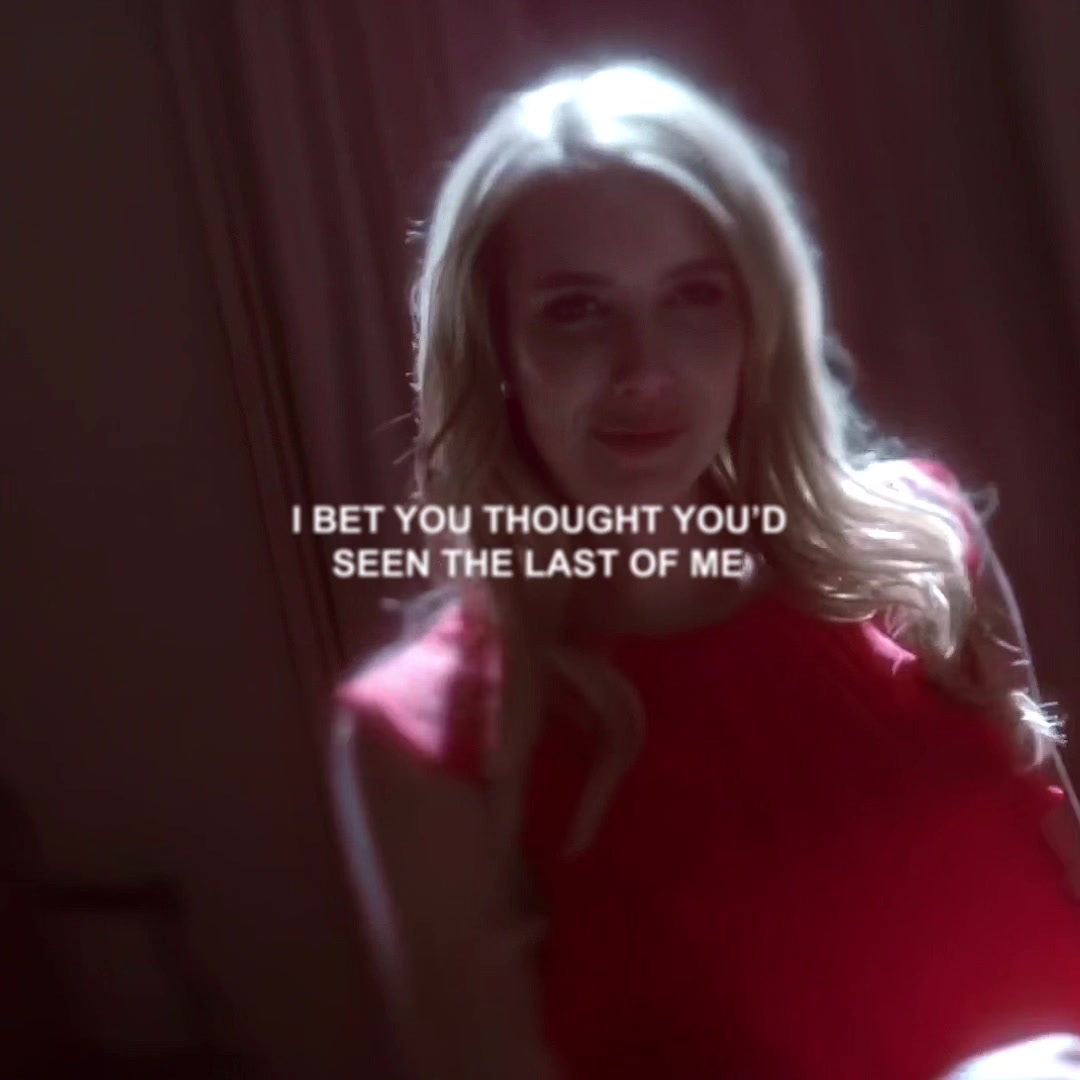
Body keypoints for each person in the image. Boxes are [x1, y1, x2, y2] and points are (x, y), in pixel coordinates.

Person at [328, 59, 1080, 1080]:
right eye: (577, 310)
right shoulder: (429, 738)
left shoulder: (922, 551)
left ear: (756, 323)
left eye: (692, 296)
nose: (644, 370)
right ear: (494, 345)